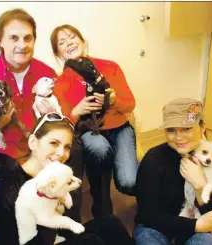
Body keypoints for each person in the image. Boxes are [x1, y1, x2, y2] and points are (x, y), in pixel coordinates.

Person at [0, 8, 83, 238]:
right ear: (0, 41)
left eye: (28, 38)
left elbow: (61, 113)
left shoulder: (46, 73)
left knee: (74, 153)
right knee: (3, 181)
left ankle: (69, 233)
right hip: (1, 150)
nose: (22, 45)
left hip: (41, 148)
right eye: (14, 38)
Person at [0, 112, 135, 245]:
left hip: (55, 237)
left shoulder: (57, 176)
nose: (61, 153)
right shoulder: (10, 186)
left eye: (67, 147)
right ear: (33, 142)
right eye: (53, 143)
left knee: (110, 224)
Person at [50, 24, 139, 218]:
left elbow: (131, 104)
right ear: (58, 53)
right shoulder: (61, 83)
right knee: (98, 147)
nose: (69, 43)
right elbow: (62, 123)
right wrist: (76, 111)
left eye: (72, 37)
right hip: (90, 131)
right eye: (62, 42)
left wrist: (114, 101)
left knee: (128, 182)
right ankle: (101, 204)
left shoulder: (110, 66)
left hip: (120, 128)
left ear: (82, 41)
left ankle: (144, 193)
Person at [133, 98, 212, 245]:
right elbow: (147, 214)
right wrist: (194, 226)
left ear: (203, 128)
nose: (178, 137)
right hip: (157, 228)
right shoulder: (154, 159)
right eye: (171, 130)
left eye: (186, 128)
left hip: (202, 230)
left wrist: (200, 186)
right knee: (146, 238)